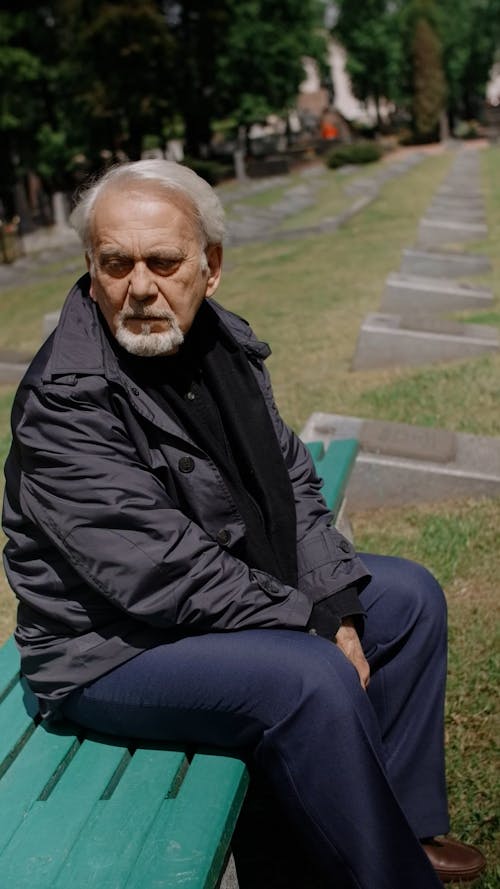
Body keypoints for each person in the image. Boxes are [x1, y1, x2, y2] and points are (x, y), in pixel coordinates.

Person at [2, 160, 485, 889]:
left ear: (211, 266)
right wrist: (312, 620)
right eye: (115, 263)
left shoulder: (222, 344)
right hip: (107, 647)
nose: (139, 287)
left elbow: (291, 483)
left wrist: (333, 603)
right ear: (91, 269)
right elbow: (161, 571)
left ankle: (403, 828)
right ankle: (381, 873)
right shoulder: (66, 398)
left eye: (163, 262)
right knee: (310, 676)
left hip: (211, 596)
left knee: (408, 598)